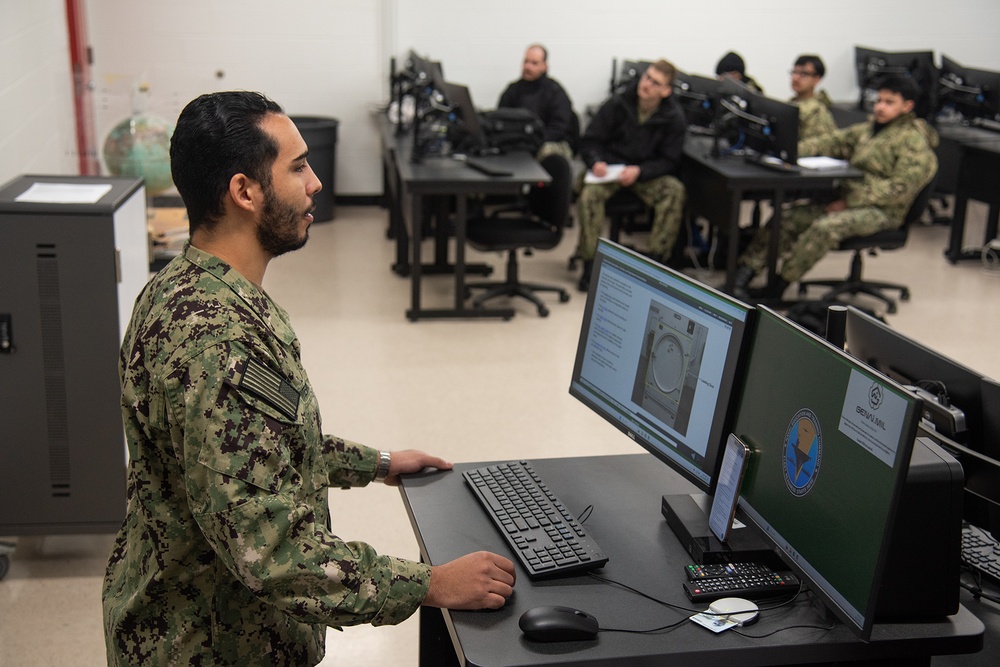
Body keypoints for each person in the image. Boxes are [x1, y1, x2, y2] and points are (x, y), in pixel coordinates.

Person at [102, 91, 516, 666]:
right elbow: (272, 554)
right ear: (244, 191)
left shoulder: (187, 286)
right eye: (297, 166)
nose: (315, 182)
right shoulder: (218, 345)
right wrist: (430, 584)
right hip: (210, 643)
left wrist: (375, 463)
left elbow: (252, 448)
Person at [732, 75, 938, 301]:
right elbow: (831, 142)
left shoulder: (913, 142)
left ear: (907, 106)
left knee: (825, 228)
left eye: (889, 102)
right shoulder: (869, 130)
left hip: (883, 211)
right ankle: (742, 277)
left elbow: (900, 190)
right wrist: (787, 150)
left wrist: (849, 202)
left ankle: (778, 286)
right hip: (846, 201)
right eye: (879, 100)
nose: (880, 107)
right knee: (787, 218)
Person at [576, 58, 687, 291]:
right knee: (589, 196)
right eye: (646, 77)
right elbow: (590, 140)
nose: (646, 84)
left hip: (644, 174)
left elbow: (670, 160)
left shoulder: (673, 117)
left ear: (666, 91)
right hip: (611, 170)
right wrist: (596, 162)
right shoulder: (619, 103)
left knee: (675, 191)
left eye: (655, 83)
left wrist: (640, 171)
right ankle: (590, 265)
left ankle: (657, 265)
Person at [497, 43, 577, 161]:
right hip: (520, 141)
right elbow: (500, 117)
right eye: (526, 61)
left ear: (544, 66)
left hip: (551, 143)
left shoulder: (555, 92)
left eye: (534, 63)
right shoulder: (513, 89)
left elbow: (559, 128)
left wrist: (532, 140)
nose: (528, 66)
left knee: (544, 151)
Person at [790, 54, 837, 140]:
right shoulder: (790, 103)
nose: (796, 78)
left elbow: (820, 146)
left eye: (803, 74)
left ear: (817, 79)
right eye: (794, 72)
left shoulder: (817, 111)